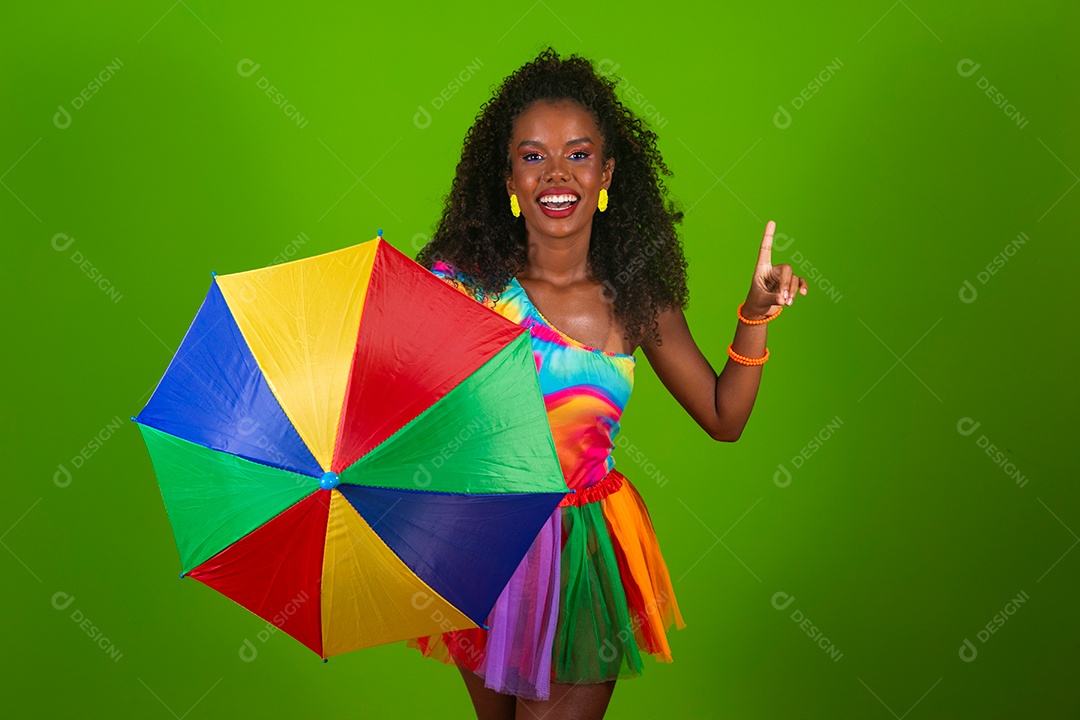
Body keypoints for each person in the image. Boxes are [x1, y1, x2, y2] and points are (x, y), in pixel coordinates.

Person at [410, 47, 808, 720]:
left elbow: (724, 416)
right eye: (532, 156)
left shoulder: (634, 297)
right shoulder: (460, 287)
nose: (556, 173)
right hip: (482, 544)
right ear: (508, 179)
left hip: (580, 556)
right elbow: (406, 412)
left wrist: (755, 315)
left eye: (579, 154)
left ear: (607, 173)